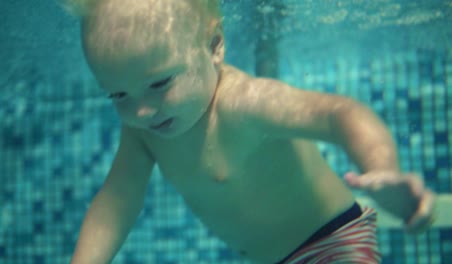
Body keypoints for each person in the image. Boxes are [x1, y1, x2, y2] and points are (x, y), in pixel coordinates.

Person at [66, 0, 436, 263]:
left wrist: (382, 168)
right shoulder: (142, 131)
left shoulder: (244, 102)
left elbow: (340, 114)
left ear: (214, 47)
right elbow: (116, 202)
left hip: (332, 242)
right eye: (118, 94)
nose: (141, 109)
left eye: (160, 83)